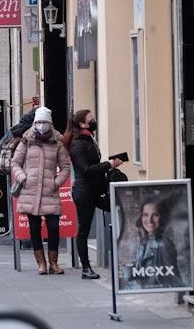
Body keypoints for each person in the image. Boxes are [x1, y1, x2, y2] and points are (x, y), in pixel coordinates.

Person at [10, 105, 72, 275]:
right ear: (34, 123)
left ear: (50, 124)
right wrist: (23, 178)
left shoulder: (57, 142)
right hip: (30, 191)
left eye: (44, 122)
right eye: (39, 122)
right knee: (34, 227)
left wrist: (56, 182)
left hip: (50, 191)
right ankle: (41, 264)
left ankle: (54, 263)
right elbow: (15, 162)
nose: (41, 125)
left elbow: (65, 167)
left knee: (53, 227)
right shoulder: (26, 141)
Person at [63, 107, 123, 279]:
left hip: (96, 189)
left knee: (117, 212)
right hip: (84, 191)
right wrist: (108, 164)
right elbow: (85, 169)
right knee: (84, 230)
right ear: (82, 124)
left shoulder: (89, 140)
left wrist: (110, 164)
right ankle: (86, 268)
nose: (94, 122)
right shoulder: (78, 144)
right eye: (91, 119)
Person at [122, 199, 181, 289]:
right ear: (141, 217)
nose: (149, 220)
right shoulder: (143, 242)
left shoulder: (164, 245)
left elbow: (174, 276)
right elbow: (138, 271)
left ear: (162, 218)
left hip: (155, 293)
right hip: (140, 292)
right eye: (145, 215)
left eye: (155, 215)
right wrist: (127, 272)